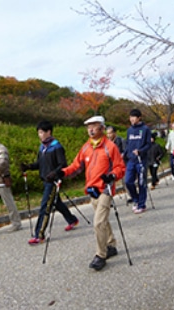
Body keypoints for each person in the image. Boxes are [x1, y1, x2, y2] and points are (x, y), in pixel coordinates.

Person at [49, 115, 125, 271]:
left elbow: (120, 167)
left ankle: (101, 255)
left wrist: (112, 175)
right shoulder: (86, 147)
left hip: (105, 188)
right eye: (88, 126)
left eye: (94, 125)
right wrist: (61, 173)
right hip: (92, 190)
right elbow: (76, 166)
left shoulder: (110, 147)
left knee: (98, 222)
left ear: (102, 128)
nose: (90, 129)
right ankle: (111, 244)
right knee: (102, 220)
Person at [20, 121, 79, 245]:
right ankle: (72, 220)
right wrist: (28, 167)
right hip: (45, 180)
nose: (40, 135)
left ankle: (39, 235)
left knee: (45, 206)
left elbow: (63, 164)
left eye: (42, 132)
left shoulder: (56, 146)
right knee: (56, 202)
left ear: (49, 132)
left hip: (53, 181)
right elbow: (40, 164)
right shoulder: (42, 147)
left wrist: (55, 173)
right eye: (39, 133)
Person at [124, 109, 152, 214]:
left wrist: (140, 151)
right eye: (130, 117)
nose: (131, 119)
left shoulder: (145, 129)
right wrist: (125, 154)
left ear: (139, 118)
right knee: (128, 181)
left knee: (141, 183)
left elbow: (148, 144)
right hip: (131, 160)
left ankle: (142, 205)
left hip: (141, 160)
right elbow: (127, 143)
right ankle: (136, 199)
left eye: (134, 117)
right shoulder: (129, 130)